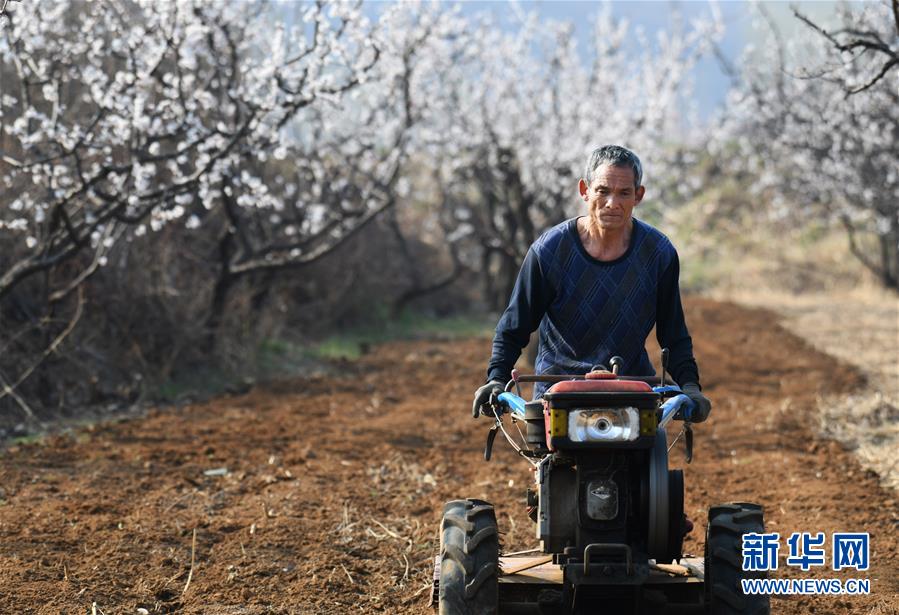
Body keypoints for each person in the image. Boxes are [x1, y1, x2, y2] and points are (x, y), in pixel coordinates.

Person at [472, 145, 711, 420]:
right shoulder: (550, 251)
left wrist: (690, 386)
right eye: (603, 191)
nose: (612, 203)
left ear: (639, 196)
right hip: (557, 391)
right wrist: (496, 378)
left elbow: (673, 333)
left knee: (646, 453)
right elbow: (515, 326)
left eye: (624, 193)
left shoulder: (658, 253)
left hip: (632, 386)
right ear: (584, 190)